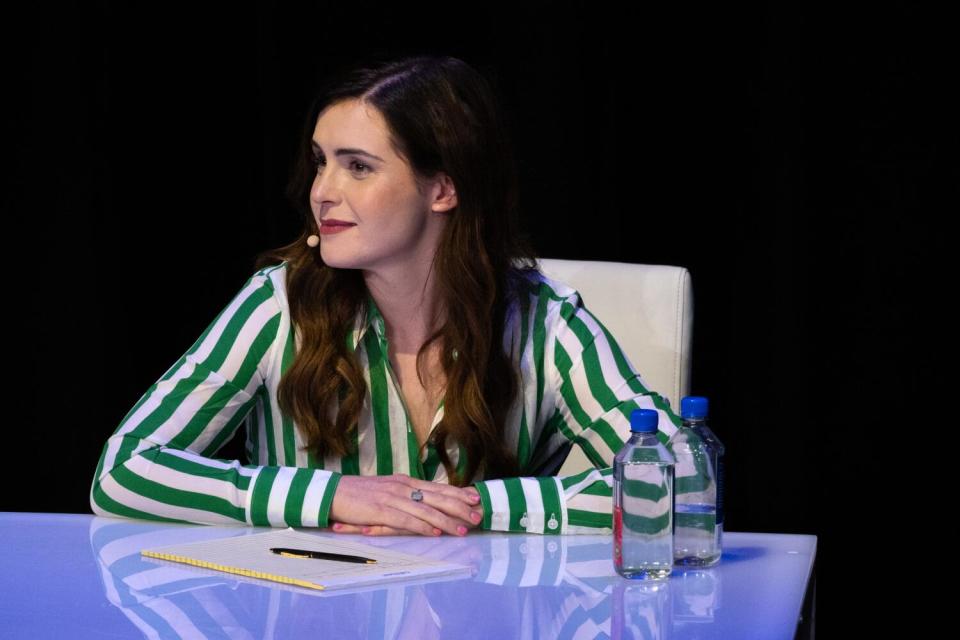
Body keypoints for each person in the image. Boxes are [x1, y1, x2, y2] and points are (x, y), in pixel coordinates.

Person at [89, 54, 683, 537]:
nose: (322, 190)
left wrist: (466, 508)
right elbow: (123, 472)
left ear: (443, 188)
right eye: (321, 163)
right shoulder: (280, 302)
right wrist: (332, 496)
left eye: (358, 167)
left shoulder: (545, 323)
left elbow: (677, 480)